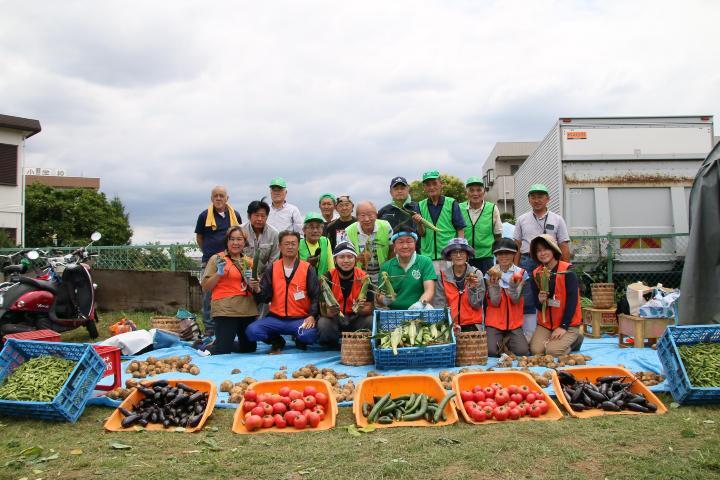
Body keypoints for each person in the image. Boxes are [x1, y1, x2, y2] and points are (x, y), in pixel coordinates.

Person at [513, 184, 571, 340]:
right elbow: (517, 246)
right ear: (529, 200)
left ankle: (554, 328)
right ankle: (530, 334)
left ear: (547, 199)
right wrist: (516, 269)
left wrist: (565, 268)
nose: (536, 200)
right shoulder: (522, 219)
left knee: (553, 296)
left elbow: (563, 244)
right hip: (527, 261)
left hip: (551, 262)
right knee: (528, 298)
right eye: (533, 197)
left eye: (540, 197)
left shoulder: (557, 219)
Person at [247, 231, 320, 354]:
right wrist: (258, 289)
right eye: (286, 244)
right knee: (252, 331)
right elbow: (265, 298)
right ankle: (277, 341)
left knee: (309, 336)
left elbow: (315, 295)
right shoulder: (273, 267)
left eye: (293, 243)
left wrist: (312, 315)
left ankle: (300, 339)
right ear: (280, 247)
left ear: (298, 246)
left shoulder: (307, 268)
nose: (290, 247)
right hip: (276, 318)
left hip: (300, 319)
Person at [201, 227, 258, 354]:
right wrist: (219, 273)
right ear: (227, 241)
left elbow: (257, 289)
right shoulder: (217, 259)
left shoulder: (249, 261)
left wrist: (253, 282)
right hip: (226, 310)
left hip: (247, 310)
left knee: (249, 348)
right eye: (232, 239)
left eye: (239, 239)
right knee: (223, 350)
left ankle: (223, 341)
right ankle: (204, 345)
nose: (235, 243)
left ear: (244, 242)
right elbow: (205, 287)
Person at [195, 186, 242, 336]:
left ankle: (229, 325)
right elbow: (200, 238)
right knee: (208, 295)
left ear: (227, 198)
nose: (219, 198)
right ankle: (209, 328)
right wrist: (209, 254)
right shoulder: (204, 216)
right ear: (211, 198)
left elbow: (238, 234)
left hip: (230, 260)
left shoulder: (235, 215)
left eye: (222, 195)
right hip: (210, 260)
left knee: (230, 291)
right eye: (215, 196)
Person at [528, 234, 583, 356]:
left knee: (552, 352)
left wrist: (563, 326)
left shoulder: (567, 271)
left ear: (553, 250)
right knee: (536, 351)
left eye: (546, 249)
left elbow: (572, 302)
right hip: (546, 324)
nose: (542, 253)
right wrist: (540, 301)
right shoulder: (536, 274)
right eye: (538, 251)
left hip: (567, 324)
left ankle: (577, 339)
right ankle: (559, 341)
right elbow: (537, 306)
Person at [317, 242, 374, 348]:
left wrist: (360, 309)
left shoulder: (364, 277)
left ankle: (358, 344)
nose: (346, 261)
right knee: (323, 324)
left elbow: (369, 308)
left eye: (350, 257)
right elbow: (323, 310)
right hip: (336, 319)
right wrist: (330, 311)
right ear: (335, 259)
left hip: (356, 318)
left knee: (370, 321)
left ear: (355, 259)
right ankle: (332, 346)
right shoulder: (327, 278)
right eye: (341, 257)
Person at [484, 238, 529, 357]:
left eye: (508, 253)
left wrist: (513, 288)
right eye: (500, 253)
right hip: (495, 322)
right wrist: (494, 286)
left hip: (514, 322)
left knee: (522, 351)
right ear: (495, 255)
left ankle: (505, 343)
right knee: (491, 351)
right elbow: (494, 302)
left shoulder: (521, 273)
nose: (504, 256)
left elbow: (516, 300)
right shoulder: (490, 273)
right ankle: (503, 342)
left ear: (514, 254)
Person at [417, 170, 466, 272]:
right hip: (428, 258)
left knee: (450, 286)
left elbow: (460, 229)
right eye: (428, 185)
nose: (431, 187)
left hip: (448, 257)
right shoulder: (420, 205)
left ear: (441, 184)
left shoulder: (451, 203)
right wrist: (418, 223)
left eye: (435, 183)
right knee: (432, 287)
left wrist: (460, 253)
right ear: (424, 188)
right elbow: (421, 234)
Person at [377, 226, 436, 310]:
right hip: (393, 312)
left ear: (415, 244)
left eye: (409, 241)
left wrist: (420, 303)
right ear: (394, 245)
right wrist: (384, 300)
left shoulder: (425, 262)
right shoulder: (386, 266)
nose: (405, 246)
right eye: (400, 242)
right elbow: (379, 295)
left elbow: (429, 290)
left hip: (420, 309)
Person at [432, 238, 484, 331]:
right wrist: (447, 323)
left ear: (467, 255)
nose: (458, 255)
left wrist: (472, 289)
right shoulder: (442, 276)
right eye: (455, 252)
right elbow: (439, 305)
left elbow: (477, 305)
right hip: (450, 324)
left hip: (473, 325)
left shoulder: (477, 274)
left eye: (462, 252)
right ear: (450, 256)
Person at [459, 176, 502, 274]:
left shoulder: (492, 209)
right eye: (471, 190)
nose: (475, 194)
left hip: (486, 258)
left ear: (484, 192)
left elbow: (498, 235)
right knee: (467, 287)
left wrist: (498, 260)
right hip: (465, 257)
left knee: (487, 287)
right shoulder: (459, 208)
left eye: (479, 190)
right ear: (467, 192)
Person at [345, 201, 393, 283]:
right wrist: (357, 258)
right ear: (357, 217)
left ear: (376, 214)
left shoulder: (386, 226)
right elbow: (346, 257)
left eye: (370, 215)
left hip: (384, 277)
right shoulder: (348, 231)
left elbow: (392, 249)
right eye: (362, 215)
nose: (367, 219)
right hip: (360, 279)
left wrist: (389, 270)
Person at [241, 198, 280, 280]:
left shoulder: (274, 234)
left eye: (263, 216)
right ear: (249, 216)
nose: (260, 219)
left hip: (264, 277)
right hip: (241, 275)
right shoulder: (239, 231)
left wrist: (264, 280)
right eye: (256, 215)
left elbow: (274, 262)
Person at [299, 212, 334, 276]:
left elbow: (331, 266)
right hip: (304, 283)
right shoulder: (298, 244)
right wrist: (307, 264)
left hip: (323, 283)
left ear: (322, 229)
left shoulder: (325, 241)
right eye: (311, 227)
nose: (315, 231)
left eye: (318, 227)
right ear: (304, 230)